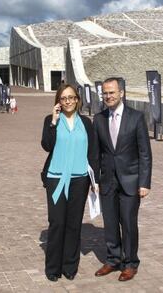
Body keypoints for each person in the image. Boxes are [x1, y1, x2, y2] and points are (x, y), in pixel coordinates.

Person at [93, 77, 152, 281]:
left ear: (122, 93)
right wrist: (95, 180)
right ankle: (112, 260)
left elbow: (145, 152)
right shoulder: (98, 119)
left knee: (128, 223)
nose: (108, 96)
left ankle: (130, 263)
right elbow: (96, 152)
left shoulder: (136, 117)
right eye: (105, 93)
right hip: (107, 180)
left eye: (112, 92)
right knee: (110, 223)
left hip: (130, 181)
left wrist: (144, 183)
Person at [41, 84, 98, 282]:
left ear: (77, 99)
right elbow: (46, 145)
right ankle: (53, 268)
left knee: (74, 224)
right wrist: (54, 121)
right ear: (58, 100)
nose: (68, 101)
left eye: (71, 97)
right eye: (64, 98)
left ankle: (69, 266)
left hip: (79, 180)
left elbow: (93, 152)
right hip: (56, 178)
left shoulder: (86, 123)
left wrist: (95, 180)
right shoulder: (51, 120)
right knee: (57, 223)